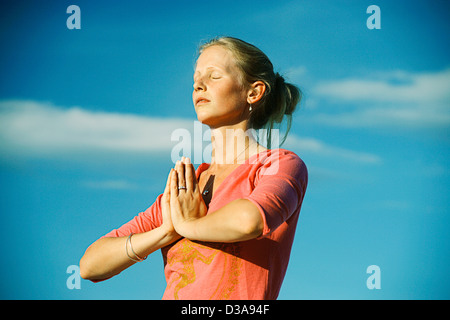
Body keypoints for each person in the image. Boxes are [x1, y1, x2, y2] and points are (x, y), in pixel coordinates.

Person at [79, 36, 308, 300]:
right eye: (196, 79)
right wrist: (165, 232)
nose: (199, 85)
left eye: (214, 76)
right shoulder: (187, 188)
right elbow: (89, 266)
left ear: (253, 92)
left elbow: (249, 221)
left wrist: (187, 224)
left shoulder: (279, 165)